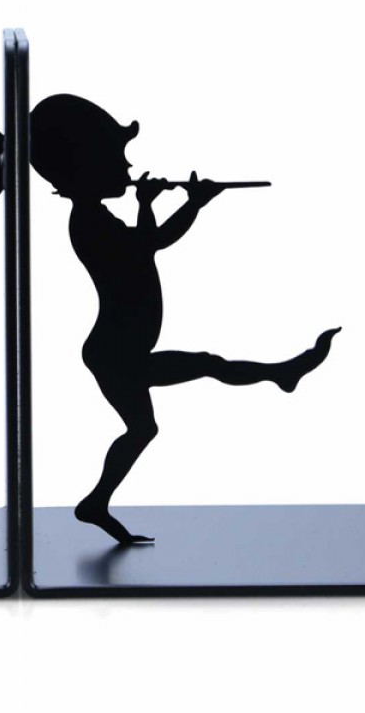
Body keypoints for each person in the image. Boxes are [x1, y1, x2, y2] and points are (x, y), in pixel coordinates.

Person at [30, 94, 340, 545]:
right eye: (117, 158)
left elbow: (146, 242)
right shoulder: (88, 221)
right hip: (117, 351)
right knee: (190, 382)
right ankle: (280, 374)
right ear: (84, 167)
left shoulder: (96, 216)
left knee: (151, 420)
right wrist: (178, 203)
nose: (128, 167)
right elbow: (147, 245)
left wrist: (172, 203)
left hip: (120, 348)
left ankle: (96, 502)